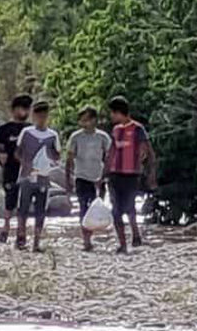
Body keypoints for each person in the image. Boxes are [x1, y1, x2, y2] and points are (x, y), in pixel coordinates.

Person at [107, 96, 157, 253]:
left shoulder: (138, 129)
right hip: (115, 175)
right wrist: (104, 173)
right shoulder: (115, 130)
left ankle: (136, 234)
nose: (111, 117)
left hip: (132, 175)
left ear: (118, 113)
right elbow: (111, 152)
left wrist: (151, 173)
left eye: (112, 113)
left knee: (129, 207)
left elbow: (148, 152)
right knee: (115, 211)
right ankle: (122, 244)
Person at [14, 101, 60, 253]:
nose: (41, 119)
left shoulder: (52, 135)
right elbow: (17, 152)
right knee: (23, 208)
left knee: (41, 209)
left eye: (44, 116)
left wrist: (50, 157)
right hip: (27, 176)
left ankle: (36, 241)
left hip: (43, 177)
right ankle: (21, 237)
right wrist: (26, 164)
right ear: (34, 116)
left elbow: (57, 155)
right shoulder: (27, 132)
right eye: (39, 116)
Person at [66, 106, 112, 252]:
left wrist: (106, 175)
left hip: (99, 177)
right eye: (82, 120)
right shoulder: (76, 137)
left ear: (94, 120)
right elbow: (70, 158)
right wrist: (68, 177)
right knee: (83, 207)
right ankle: (86, 239)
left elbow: (110, 157)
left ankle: (94, 233)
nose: (84, 123)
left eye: (87, 120)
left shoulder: (103, 137)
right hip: (81, 177)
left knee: (97, 207)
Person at [0, 95, 33, 243]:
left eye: (27, 108)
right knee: (10, 198)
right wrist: (1, 156)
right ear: (14, 110)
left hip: (28, 169)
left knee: (25, 200)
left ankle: (21, 230)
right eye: (22, 108)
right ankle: (5, 228)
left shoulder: (31, 129)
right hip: (10, 168)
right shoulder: (4, 129)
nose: (24, 111)